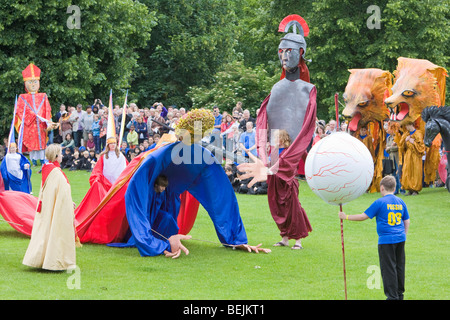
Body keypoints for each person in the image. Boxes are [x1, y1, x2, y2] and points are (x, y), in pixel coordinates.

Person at [338, 176, 410, 300]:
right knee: (399, 266)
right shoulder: (400, 201)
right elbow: (406, 220)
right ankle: (399, 294)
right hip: (400, 238)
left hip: (386, 240)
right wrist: (404, 235)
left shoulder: (380, 202)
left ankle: (392, 297)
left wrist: (346, 216)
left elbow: (363, 216)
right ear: (394, 188)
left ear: (382, 188)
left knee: (388, 268)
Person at [22, 144, 80, 271]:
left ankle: (42, 260)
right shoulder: (56, 173)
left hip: (47, 206)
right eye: (61, 153)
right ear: (56, 156)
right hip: (54, 206)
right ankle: (54, 261)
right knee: (56, 231)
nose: (63, 156)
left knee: (46, 231)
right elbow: (62, 192)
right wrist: (69, 203)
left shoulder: (47, 169)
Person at [400, 122, 425, 195]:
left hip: (416, 156)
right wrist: (405, 141)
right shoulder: (406, 134)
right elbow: (401, 147)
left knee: (415, 171)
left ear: (411, 125)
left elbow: (421, 147)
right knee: (407, 171)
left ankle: (415, 189)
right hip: (408, 155)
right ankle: (409, 189)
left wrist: (413, 141)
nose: (406, 127)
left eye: (407, 125)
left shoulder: (418, 133)